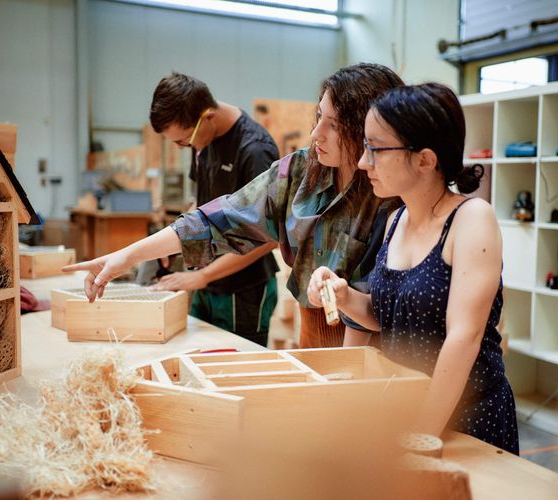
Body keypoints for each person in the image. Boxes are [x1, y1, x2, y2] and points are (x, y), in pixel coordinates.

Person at [63, 63, 404, 348]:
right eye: (318, 117)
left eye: (334, 125)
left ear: (368, 131)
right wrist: (129, 255)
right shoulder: (299, 171)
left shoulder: (389, 197)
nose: (316, 134)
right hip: (313, 336)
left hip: (373, 351)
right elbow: (221, 217)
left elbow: (377, 309)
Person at [307, 83, 519, 454]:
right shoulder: (396, 221)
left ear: (424, 160)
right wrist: (344, 296)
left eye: (375, 149)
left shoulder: (471, 219)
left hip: (464, 419)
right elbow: (390, 317)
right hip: (407, 410)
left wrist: (422, 432)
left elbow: (463, 338)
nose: (363, 162)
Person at [142, 72, 280, 347]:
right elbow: (202, 203)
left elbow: (270, 237)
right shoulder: (203, 143)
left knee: (236, 366)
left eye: (183, 140)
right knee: (195, 354)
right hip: (206, 282)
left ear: (208, 116)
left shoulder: (255, 151)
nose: (184, 147)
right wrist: (175, 238)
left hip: (242, 289)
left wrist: (202, 276)